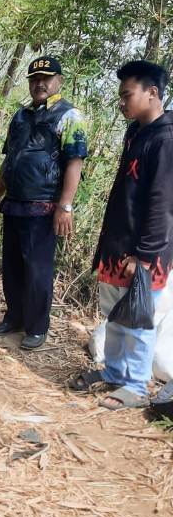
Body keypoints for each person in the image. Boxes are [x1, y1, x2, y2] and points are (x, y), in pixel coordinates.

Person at [71, 60, 173, 409]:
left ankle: (135, 385)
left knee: (139, 319)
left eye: (127, 95)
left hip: (144, 254)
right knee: (115, 314)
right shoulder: (135, 133)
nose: (121, 102)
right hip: (118, 245)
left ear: (153, 93)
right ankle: (114, 372)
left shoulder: (165, 140)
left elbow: (163, 205)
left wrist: (144, 257)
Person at [0, 56, 88, 349]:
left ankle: (37, 327)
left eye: (46, 77)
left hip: (44, 206)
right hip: (15, 203)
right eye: (34, 78)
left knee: (38, 270)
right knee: (14, 266)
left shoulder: (70, 116)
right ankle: (13, 317)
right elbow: (10, 159)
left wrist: (64, 206)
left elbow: (75, 162)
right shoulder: (20, 115)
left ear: (59, 80)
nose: (39, 83)